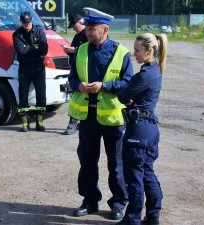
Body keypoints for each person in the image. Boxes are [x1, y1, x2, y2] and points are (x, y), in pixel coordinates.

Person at [68, 7, 133, 221]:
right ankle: (89, 201)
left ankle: (118, 203)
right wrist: (79, 87)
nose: (87, 31)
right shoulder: (82, 50)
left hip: (112, 118)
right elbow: (72, 78)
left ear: (105, 29)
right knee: (87, 160)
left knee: (116, 163)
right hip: (88, 117)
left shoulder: (121, 52)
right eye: (87, 27)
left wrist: (104, 86)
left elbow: (127, 83)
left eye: (92, 28)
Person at [117, 33, 168, 225]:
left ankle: (132, 219)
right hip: (149, 128)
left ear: (150, 51)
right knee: (147, 171)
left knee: (134, 175)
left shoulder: (144, 75)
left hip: (139, 130)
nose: (134, 54)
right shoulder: (155, 70)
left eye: (137, 50)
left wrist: (128, 98)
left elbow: (123, 96)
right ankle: (153, 216)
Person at [13, 11, 48, 132]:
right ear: (21, 22)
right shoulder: (17, 34)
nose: (27, 25)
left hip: (39, 68)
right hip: (24, 69)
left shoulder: (39, 32)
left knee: (41, 96)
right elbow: (21, 52)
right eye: (24, 23)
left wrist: (27, 48)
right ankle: (25, 123)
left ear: (31, 20)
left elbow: (44, 50)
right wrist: (34, 47)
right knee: (23, 97)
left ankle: (39, 122)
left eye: (28, 22)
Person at [63, 14, 87, 135]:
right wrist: (69, 51)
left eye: (74, 25)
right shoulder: (78, 36)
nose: (73, 28)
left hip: (85, 72)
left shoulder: (89, 34)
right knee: (75, 99)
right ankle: (75, 123)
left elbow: (89, 50)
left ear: (80, 22)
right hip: (76, 70)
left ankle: (74, 124)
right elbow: (75, 52)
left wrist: (75, 50)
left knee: (79, 98)